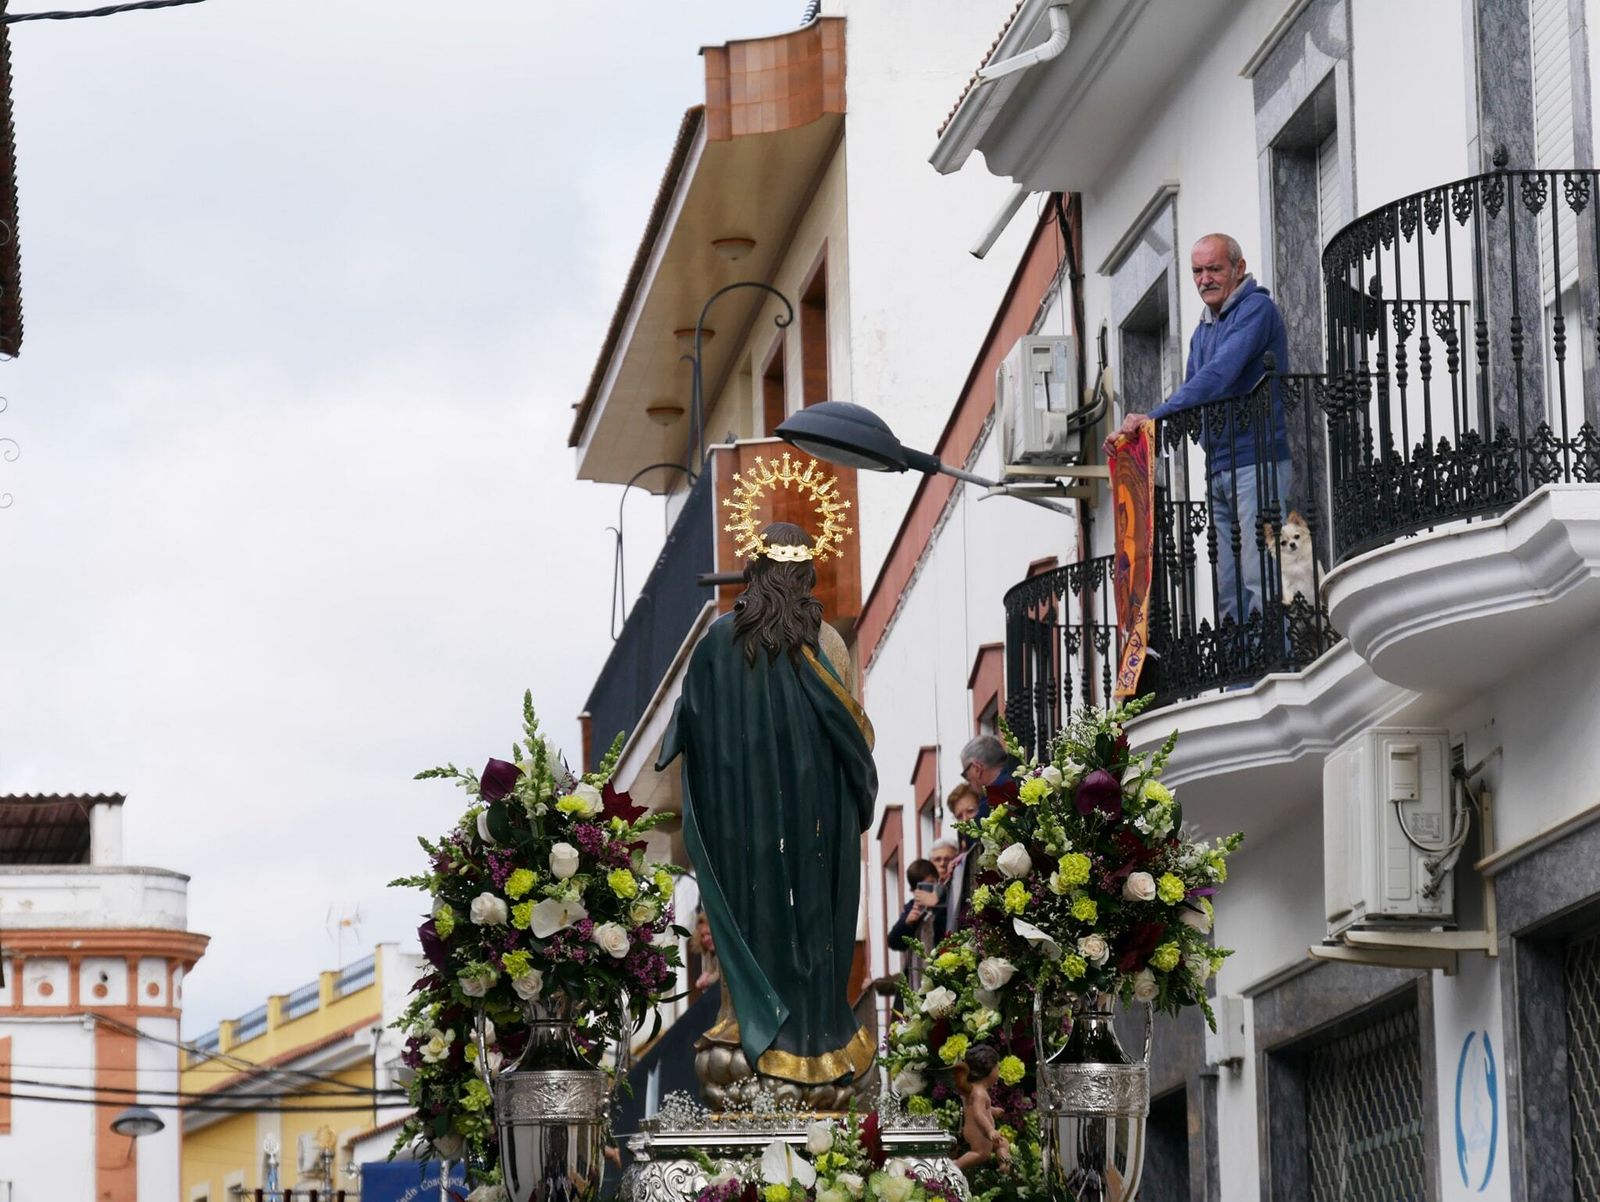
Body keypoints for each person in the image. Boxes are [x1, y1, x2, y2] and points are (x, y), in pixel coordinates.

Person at [657, 522, 878, 1092]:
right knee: (814, 930)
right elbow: (854, 736)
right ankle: (817, 1043)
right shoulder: (825, 641)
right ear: (804, 578)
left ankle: (744, 1026)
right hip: (815, 825)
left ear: (753, 575)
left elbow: (690, 735)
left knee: (749, 922)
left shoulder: (716, 645)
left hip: (744, 827)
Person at [1109, 233, 1291, 625]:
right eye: (1197, 271)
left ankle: (1273, 667)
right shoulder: (1202, 331)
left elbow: (1218, 375)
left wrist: (1154, 416)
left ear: (1238, 269)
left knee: (1260, 576)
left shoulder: (1256, 309)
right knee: (1228, 585)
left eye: (1214, 268)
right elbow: (1195, 394)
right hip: (1220, 468)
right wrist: (1133, 435)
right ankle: (1239, 677)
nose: (1204, 278)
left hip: (1256, 461)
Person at [886, 859, 946, 987]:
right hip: (917, 981)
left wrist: (936, 904)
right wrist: (908, 923)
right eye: (921, 887)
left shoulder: (945, 902)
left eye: (930, 884)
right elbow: (894, 942)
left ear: (937, 882)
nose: (925, 892)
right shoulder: (912, 907)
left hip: (941, 974)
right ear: (914, 890)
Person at [954, 1044, 1010, 1173]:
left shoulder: (975, 1089)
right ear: (989, 1071)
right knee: (981, 1154)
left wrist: (993, 1110)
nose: (998, 1071)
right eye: (997, 1068)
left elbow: (981, 1109)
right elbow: (978, 1114)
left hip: (978, 1130)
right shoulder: (979, 1093)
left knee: (1003, 1143)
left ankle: (1005, 1166)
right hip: (978, 1131)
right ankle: (955, 1167)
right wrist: (990, 1130)